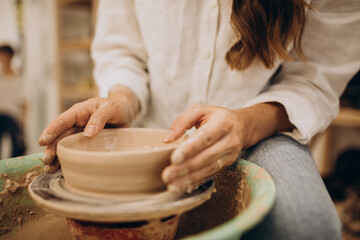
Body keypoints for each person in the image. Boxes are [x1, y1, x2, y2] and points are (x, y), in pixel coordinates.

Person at [39, 0, 360, 239]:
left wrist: (243, 124)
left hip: (255, 124)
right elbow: (121, 50)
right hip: (149, 123)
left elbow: (314, 79)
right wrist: (121, 99)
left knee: (306, 225)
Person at [0, 45, 26, 158]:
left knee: (16, 147)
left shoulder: (18, 78)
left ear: (10, 57)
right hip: (1, 113)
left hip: (12, 116)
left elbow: (24, 101)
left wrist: (23, 119)